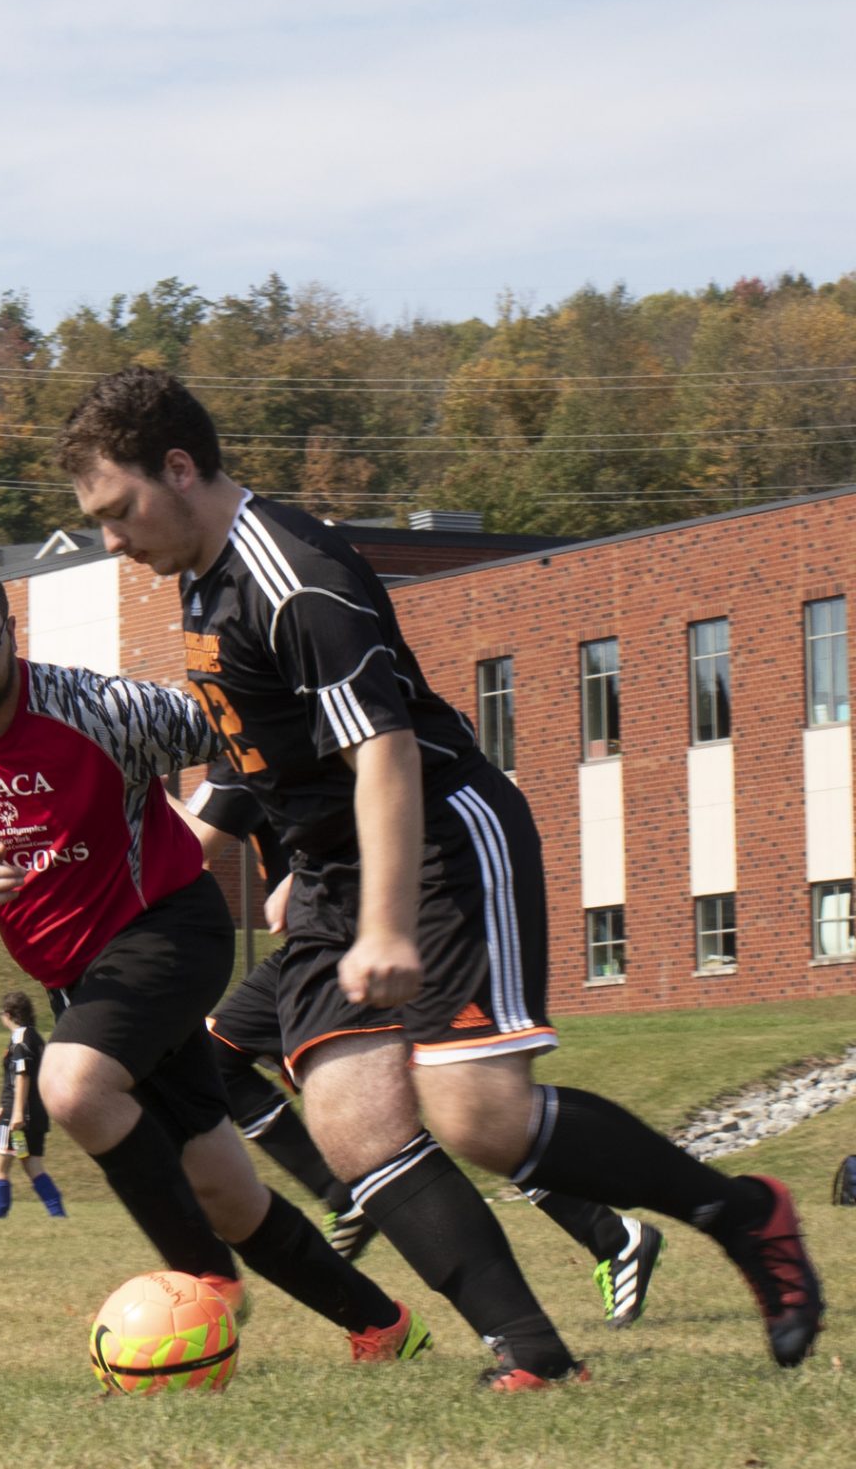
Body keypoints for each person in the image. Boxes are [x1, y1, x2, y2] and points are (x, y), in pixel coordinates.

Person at [60, 364, 822, 1381]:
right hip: (337, 867)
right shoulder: (204, 573)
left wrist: (383, 922)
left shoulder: (291, 573)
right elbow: (270, 741)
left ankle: (742, 1211)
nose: (114, 541)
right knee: (347, 1116)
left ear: (180, 467)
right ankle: (534, 1354)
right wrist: (289, 860)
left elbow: (383, 750)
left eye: (119, 511)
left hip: (441, 841)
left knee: (478, 1114)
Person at [0, 561, 421, 1361]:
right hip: (79, 982)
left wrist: (303, 844)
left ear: (12, 632)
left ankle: (204, 1278)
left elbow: (242, 723)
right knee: (225, 1190)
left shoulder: (94, 708)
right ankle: (385, 1328)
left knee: (71, 1085)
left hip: (167, 927)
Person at [193, 765, 664, 1320]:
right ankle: (348, 1196)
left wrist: (127, 789)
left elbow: (189, 845)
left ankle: (614, 1235)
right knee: (231, 1057)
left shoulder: (251, 743)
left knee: (461, 1102)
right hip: (326, 939)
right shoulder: (254, 740)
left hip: (352, 935)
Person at [0, 993, 66, 1219]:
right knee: (32, 1164)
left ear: (8, 1014)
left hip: (16, 1119)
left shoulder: (20, 1038)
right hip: (36, 1115)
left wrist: (15, 1113)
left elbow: (22, 1074)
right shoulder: (36, 1038)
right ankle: (58, 1215)